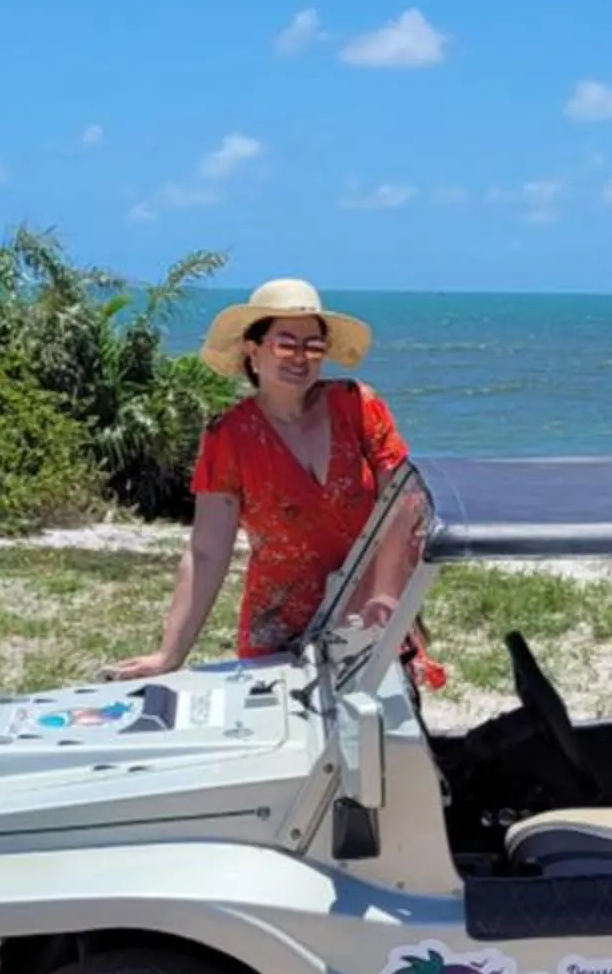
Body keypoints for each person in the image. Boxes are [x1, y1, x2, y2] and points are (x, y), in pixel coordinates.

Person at [106, 277, 438, 682]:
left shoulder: (356, 405)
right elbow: (207, 552)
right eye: (285, 343)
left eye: (313, 346)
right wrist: (169, 655)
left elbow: (405, 504)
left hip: (373, 612)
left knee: (385, 735)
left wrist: (387, 593)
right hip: (280, 625)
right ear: (253, 350)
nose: (300, 357)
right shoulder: (228, 436)